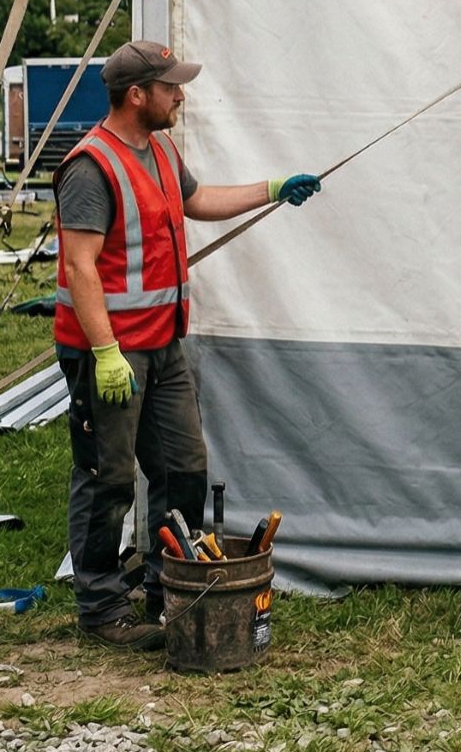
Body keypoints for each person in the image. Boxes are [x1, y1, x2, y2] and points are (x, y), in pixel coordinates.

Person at [54, 39, 322, 649]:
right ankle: (99, 609)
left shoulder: (161, 149)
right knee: (109, 476)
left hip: (164, 345)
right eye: (171, 86)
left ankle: (165, 588)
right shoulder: (91, 167)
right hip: (111, 354)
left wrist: (274, 187)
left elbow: (197, 201)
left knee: (183, 469)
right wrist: (103, 353)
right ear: (137, 95)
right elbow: (81, 267)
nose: (181, 94)